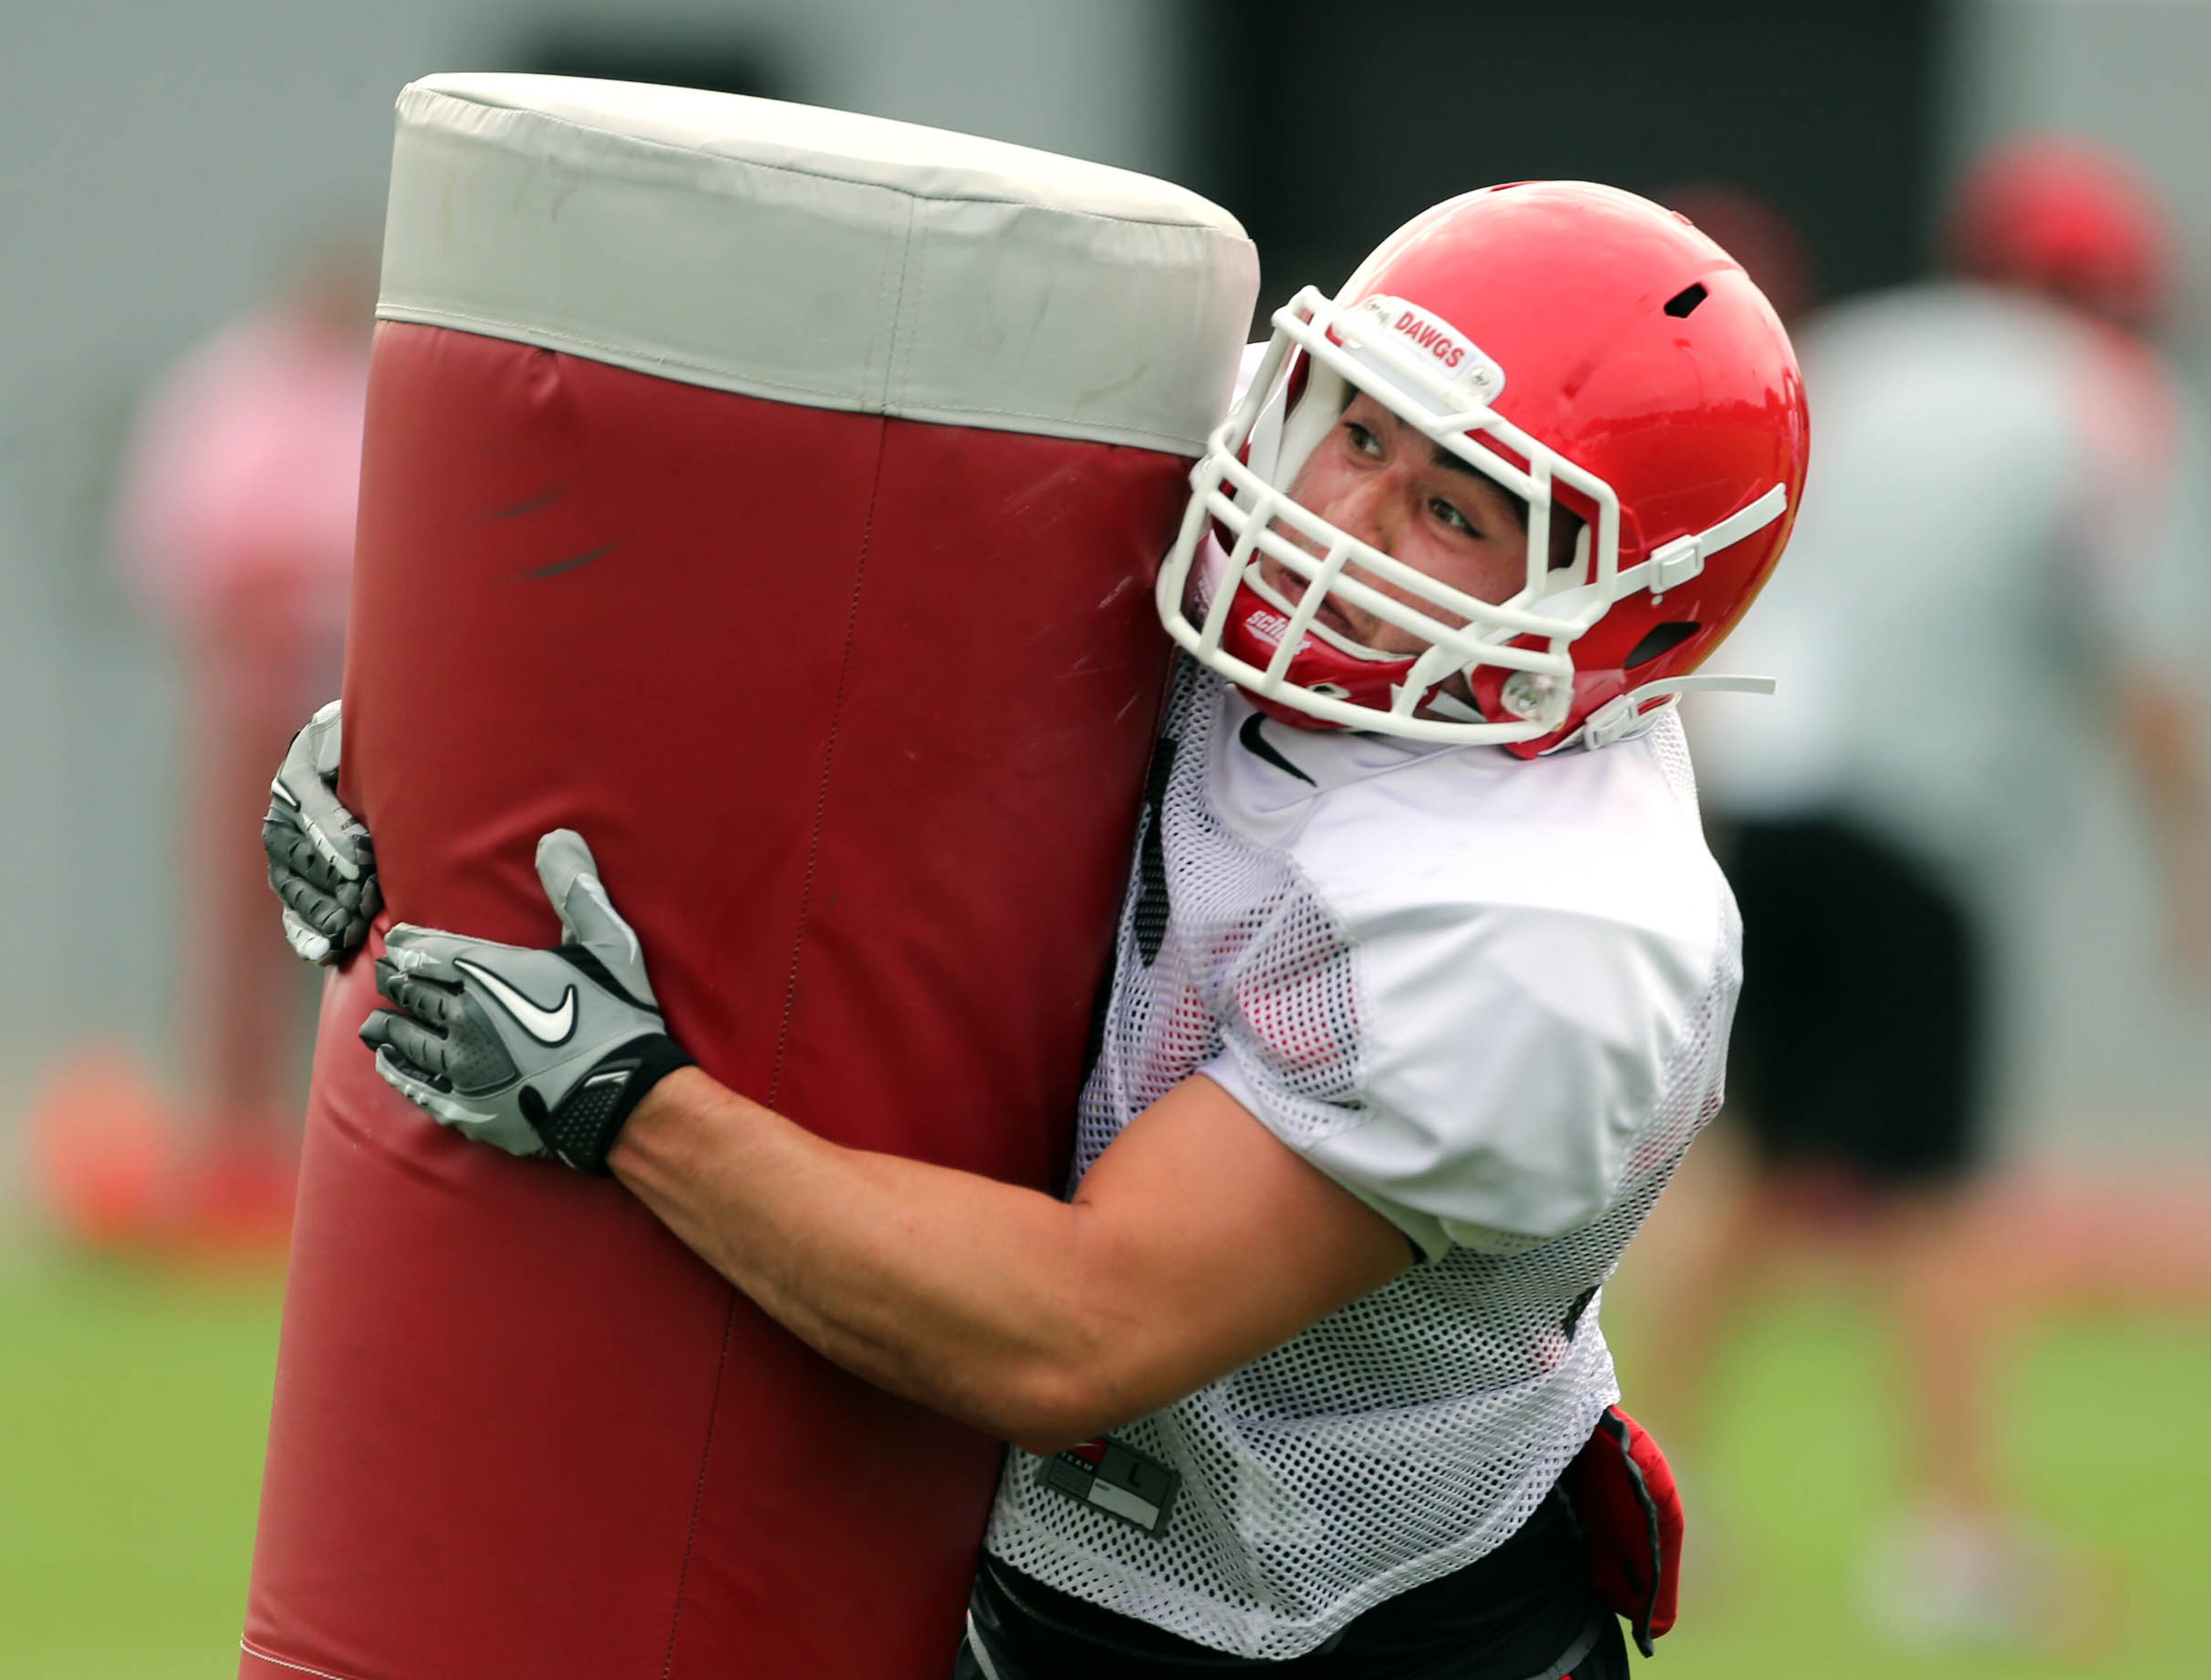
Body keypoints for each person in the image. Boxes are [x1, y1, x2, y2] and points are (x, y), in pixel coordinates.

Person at [261, 183, 1808, 1677]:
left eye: (1450, 508)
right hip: (986, 1549)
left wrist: (625, 1099)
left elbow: (1079, 1331)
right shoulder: (1240, 481)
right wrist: (440, 805)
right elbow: (813, 684)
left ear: (1634, 616)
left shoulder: (1532, 927)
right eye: (1359, 430)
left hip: (1318, 1613)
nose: (1336, 512)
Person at [1636, 135, 2210, 1651]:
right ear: (2122, 294)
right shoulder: (2108, 402)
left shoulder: (1863, 355)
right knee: (1950, 1191)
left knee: (1758, 1162)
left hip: (1776, 799)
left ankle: (1632, 1470)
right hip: (1927, 825)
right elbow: (2147, 669)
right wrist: (2189, 865)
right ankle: (1957, 1533)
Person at [97, 227, 375, 1251]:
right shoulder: (223, 389)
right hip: (247, 694)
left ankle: (346, 1161)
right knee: (237, 937)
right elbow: (164, 542)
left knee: (370, 933)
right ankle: (233, 1157)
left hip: (363, 701)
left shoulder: (385, 395)